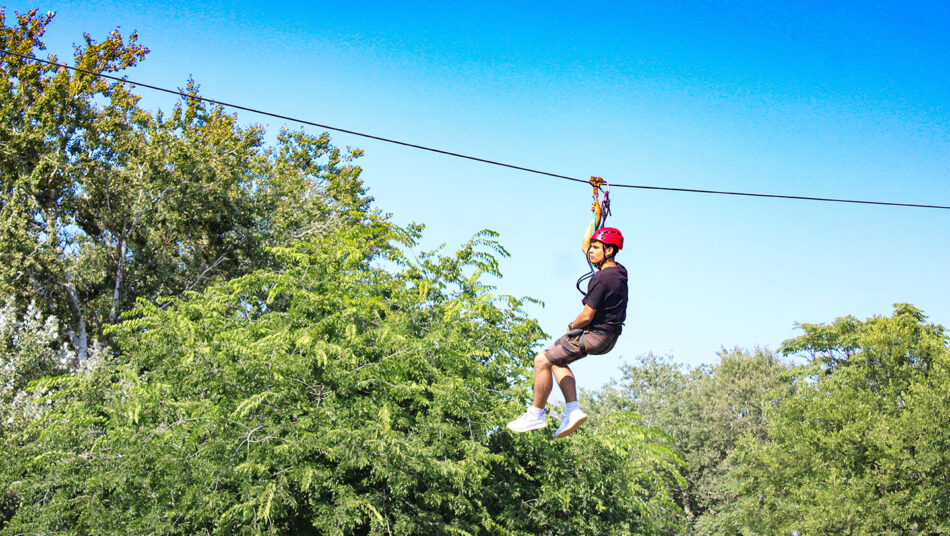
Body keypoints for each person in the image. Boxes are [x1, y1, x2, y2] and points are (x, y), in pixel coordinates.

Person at [507, 227, 628, 438]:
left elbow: (586, 316)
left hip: (595, 334)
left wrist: (572, 326)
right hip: (609, 336)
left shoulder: (602, 279)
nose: (590, 251)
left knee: (541, 360)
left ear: (608, 251)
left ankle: (536, 414)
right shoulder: (619, 272)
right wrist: (596, 214)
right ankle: (572, 410)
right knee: (556, 359)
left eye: (596, 248)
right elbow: (585, 244)